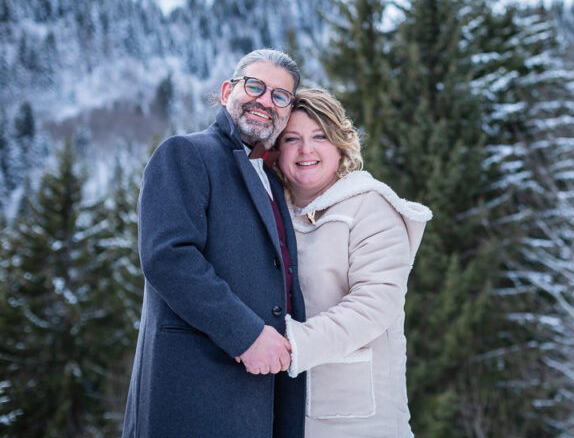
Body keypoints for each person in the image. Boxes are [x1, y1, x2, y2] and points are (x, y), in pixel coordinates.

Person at [122, 49, 306, 438]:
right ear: (227, 91)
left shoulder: (271, 180)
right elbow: (168, 258)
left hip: (261, 397)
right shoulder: (186, 153)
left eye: (280, 96)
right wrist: (247, 335)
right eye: (255, 86)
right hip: (194, 392)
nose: (265, 101)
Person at [274, 87, 432, 437]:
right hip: (286, 410)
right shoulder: (271, 213)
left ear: (340, 143)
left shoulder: (369, 206)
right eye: (291, 139)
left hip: (359, 417)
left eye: (320, 136)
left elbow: (375, 305)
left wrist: (291, 343)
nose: (306, 150)